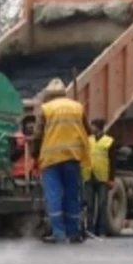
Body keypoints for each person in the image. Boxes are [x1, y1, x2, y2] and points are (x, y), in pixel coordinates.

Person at [32, 79, 91, 244]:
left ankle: (58, 232)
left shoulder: (46, 109)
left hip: (51, 159)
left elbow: (37, 135)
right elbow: (89, 130)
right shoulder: (77, 107)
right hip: (73, 157)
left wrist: (34, 155)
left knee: (53, 194)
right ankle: (73, 231)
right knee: (72, 194)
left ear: (48, 95)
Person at [83, 118, 114, 238]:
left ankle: (101, 230)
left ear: (99, 128)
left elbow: (113, 161)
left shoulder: (109, 141)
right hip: (89, 176)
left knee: (102, 204)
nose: (91, 128)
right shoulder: (88, 140)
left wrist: (111, 178)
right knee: (89, 204)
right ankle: (90, 230)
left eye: (93, 126)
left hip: (103, 177)